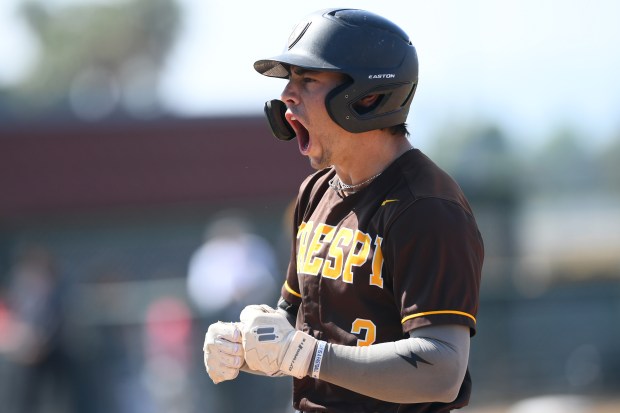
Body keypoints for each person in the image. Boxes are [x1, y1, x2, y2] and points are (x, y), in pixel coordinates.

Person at [203, 8, 484, 413]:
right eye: (289, 80)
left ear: (367, 96)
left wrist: (310, 357)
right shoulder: (316, 192)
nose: (286, 95)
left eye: (308, 79)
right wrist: (246, 346)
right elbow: (294, 329)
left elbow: (441, 370)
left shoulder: (426, 207)